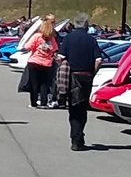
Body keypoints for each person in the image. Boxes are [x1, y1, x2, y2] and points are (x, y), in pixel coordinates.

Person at [60, 12, 103, 150]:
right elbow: (98, 60)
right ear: (86, 24)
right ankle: (79, 136)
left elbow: (60, 58)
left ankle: (75, 137)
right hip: (86, 77)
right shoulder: (91, 40)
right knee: (83, 108)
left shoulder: (68, 39)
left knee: (73, 108)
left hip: (72, 77)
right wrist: (92, 73)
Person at [26, 15, 58, 109]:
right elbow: (55, 49)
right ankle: (43, 102)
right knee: (44, 84)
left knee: (34, 83)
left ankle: (33, 102)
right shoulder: (52, 39)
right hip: (46, 63)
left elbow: (27, 46)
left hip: (34, 62)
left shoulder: (36, 36)